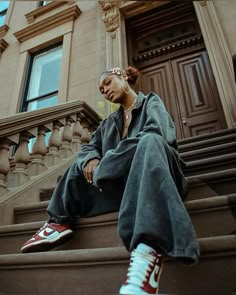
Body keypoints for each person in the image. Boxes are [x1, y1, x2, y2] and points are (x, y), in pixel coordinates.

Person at [21, 66, 200, 294]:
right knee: (79, 167)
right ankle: (58, 221)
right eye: (100, 89)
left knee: (149, 142)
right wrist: (92, 159)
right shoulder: (108, 123)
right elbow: (88, 147)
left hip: (159, 174)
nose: (104, 90)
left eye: (107, 82)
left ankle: (148, 253)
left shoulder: (151, 103)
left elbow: (159, 133)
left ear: (123, 77)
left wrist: (104, 165)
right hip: (127, 185)